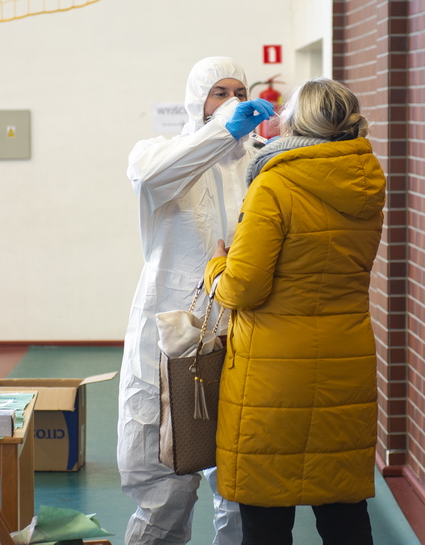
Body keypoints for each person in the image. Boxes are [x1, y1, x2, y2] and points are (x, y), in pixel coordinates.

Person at [203, 78, 385, 545]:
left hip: (274, 371)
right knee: (344, 512)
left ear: (299, 121)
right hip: (346, 357)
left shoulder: (275, 184)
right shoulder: (367, 180)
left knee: (266, 514)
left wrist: (217, 267)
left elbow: (243, 288)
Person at [118, 56, 274, 545]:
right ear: (196, 99)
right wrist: (223, 132)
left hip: (244, 331)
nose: (229, 102)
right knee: (167, 482)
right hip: (173, 336)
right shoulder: (157, 153)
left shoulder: (261, 160)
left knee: (238, 484)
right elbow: (156, 178)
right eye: (218, 92)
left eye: (238, 92)